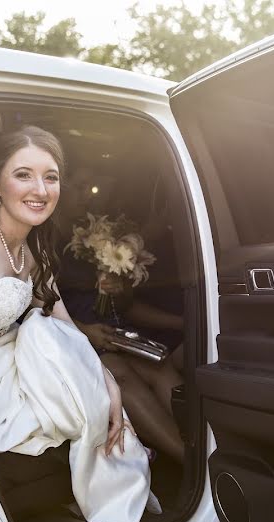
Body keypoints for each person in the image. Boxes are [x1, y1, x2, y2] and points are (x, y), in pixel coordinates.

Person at [0, 126, 158, 522]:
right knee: (76, 411)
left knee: (93, 392)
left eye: (50, 177)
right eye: (23, 174)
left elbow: (63, 322)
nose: (40, 189)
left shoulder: (33, 249)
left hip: (0, 369)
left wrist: (105, 380)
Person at [53, 170, 186, 463]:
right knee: (121, 374)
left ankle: (202, 445)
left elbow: (124, 305)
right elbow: (39, 306)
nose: (88, 193)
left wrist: (117, 288)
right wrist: (86, 331)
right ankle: (187, 459)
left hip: (114, 334)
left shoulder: (94, 234)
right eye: (80, 185)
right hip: (72, 339)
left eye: (91, 186)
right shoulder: (46, 241)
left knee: (160, 366)